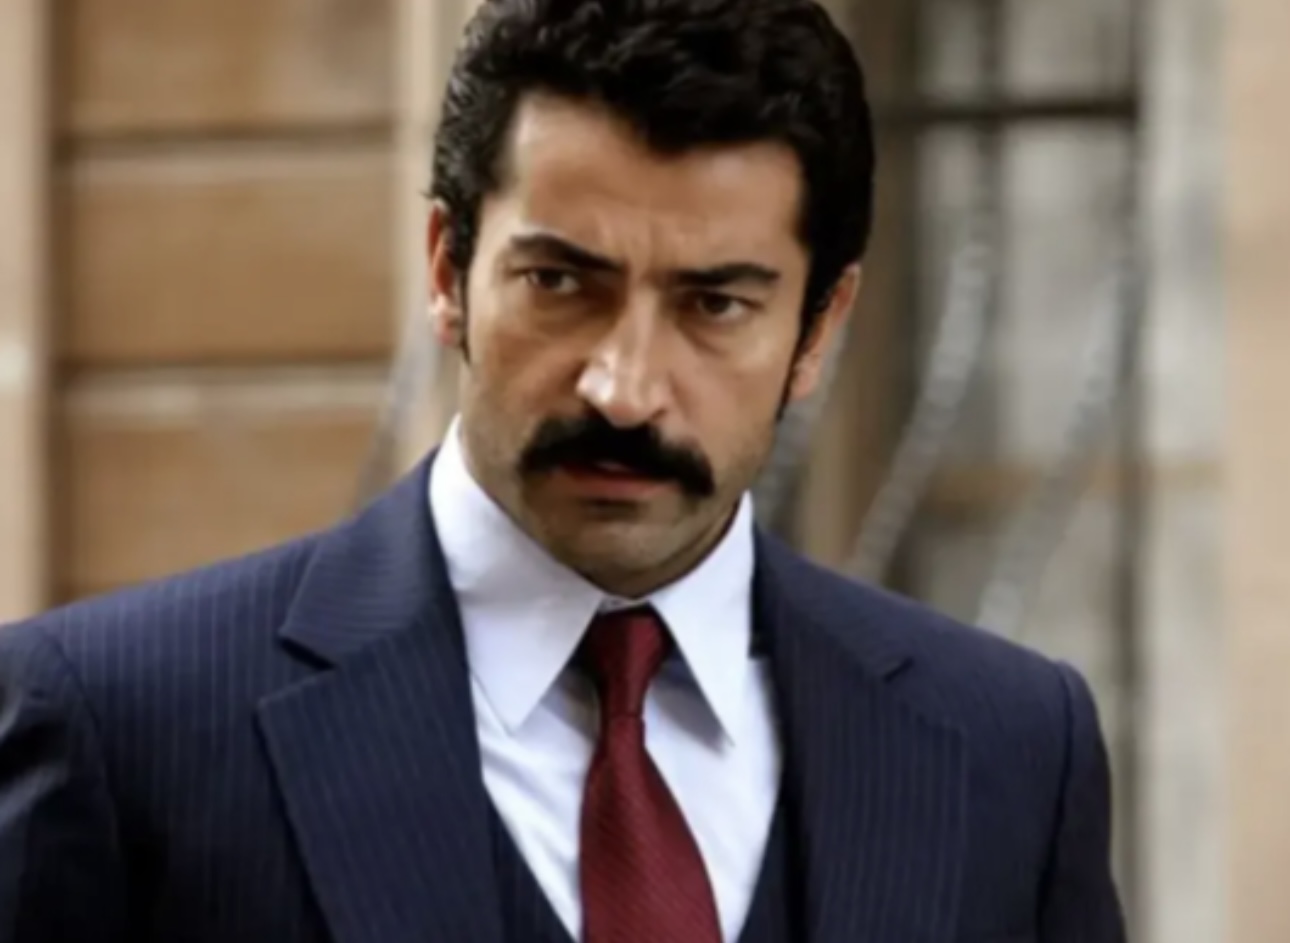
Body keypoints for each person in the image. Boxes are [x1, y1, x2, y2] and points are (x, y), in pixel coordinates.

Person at [0, 1, 1125, 941]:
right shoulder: (120, 726)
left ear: (819, 326)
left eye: (714, 304)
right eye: (560, 284)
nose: (624, 390)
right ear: (447, 268)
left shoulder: (1013, 750)